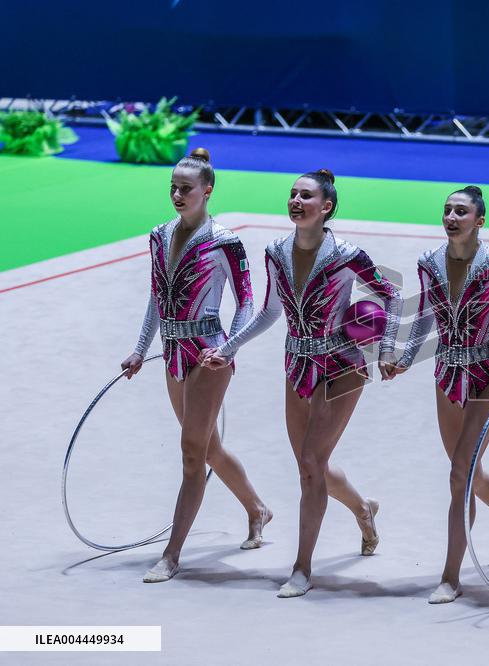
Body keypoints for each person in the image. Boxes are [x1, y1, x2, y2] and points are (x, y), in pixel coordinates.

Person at [202, 169, 400, 597]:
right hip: (297, 363)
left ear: (325, 207)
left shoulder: (346, 253)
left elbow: (390, 294)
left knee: (311, 464)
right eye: (292, 194)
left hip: (341, 364)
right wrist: (231, 347)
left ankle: (302, 567)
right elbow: (272, 311)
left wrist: (386, 348)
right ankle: (363, 508)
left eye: (305, 196)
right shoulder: (276, 250)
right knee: (312, 467)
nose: (295, 201)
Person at [380, 186, 489, 604]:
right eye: (447, 210)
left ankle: (451, 576)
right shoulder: (429, 262)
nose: (451, 217)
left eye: (461, 211)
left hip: (487, 371)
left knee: (460, 473)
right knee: (468, 473)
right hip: (446, 371)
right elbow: (422, 316)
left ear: (480, 221)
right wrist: (402, 356)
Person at [121, 148, 272, 584]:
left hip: (208, 352)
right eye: (172, 186)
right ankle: (258, 509)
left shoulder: (224, 241)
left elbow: (247, 301)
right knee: (208, 449)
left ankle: (172, 554)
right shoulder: (158, 235)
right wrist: (138, 349)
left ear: (207, 191)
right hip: (172, 349)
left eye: (185, 188)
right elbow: (156, 297)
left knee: (191, 454)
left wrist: (231, 347)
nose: (176, 194)